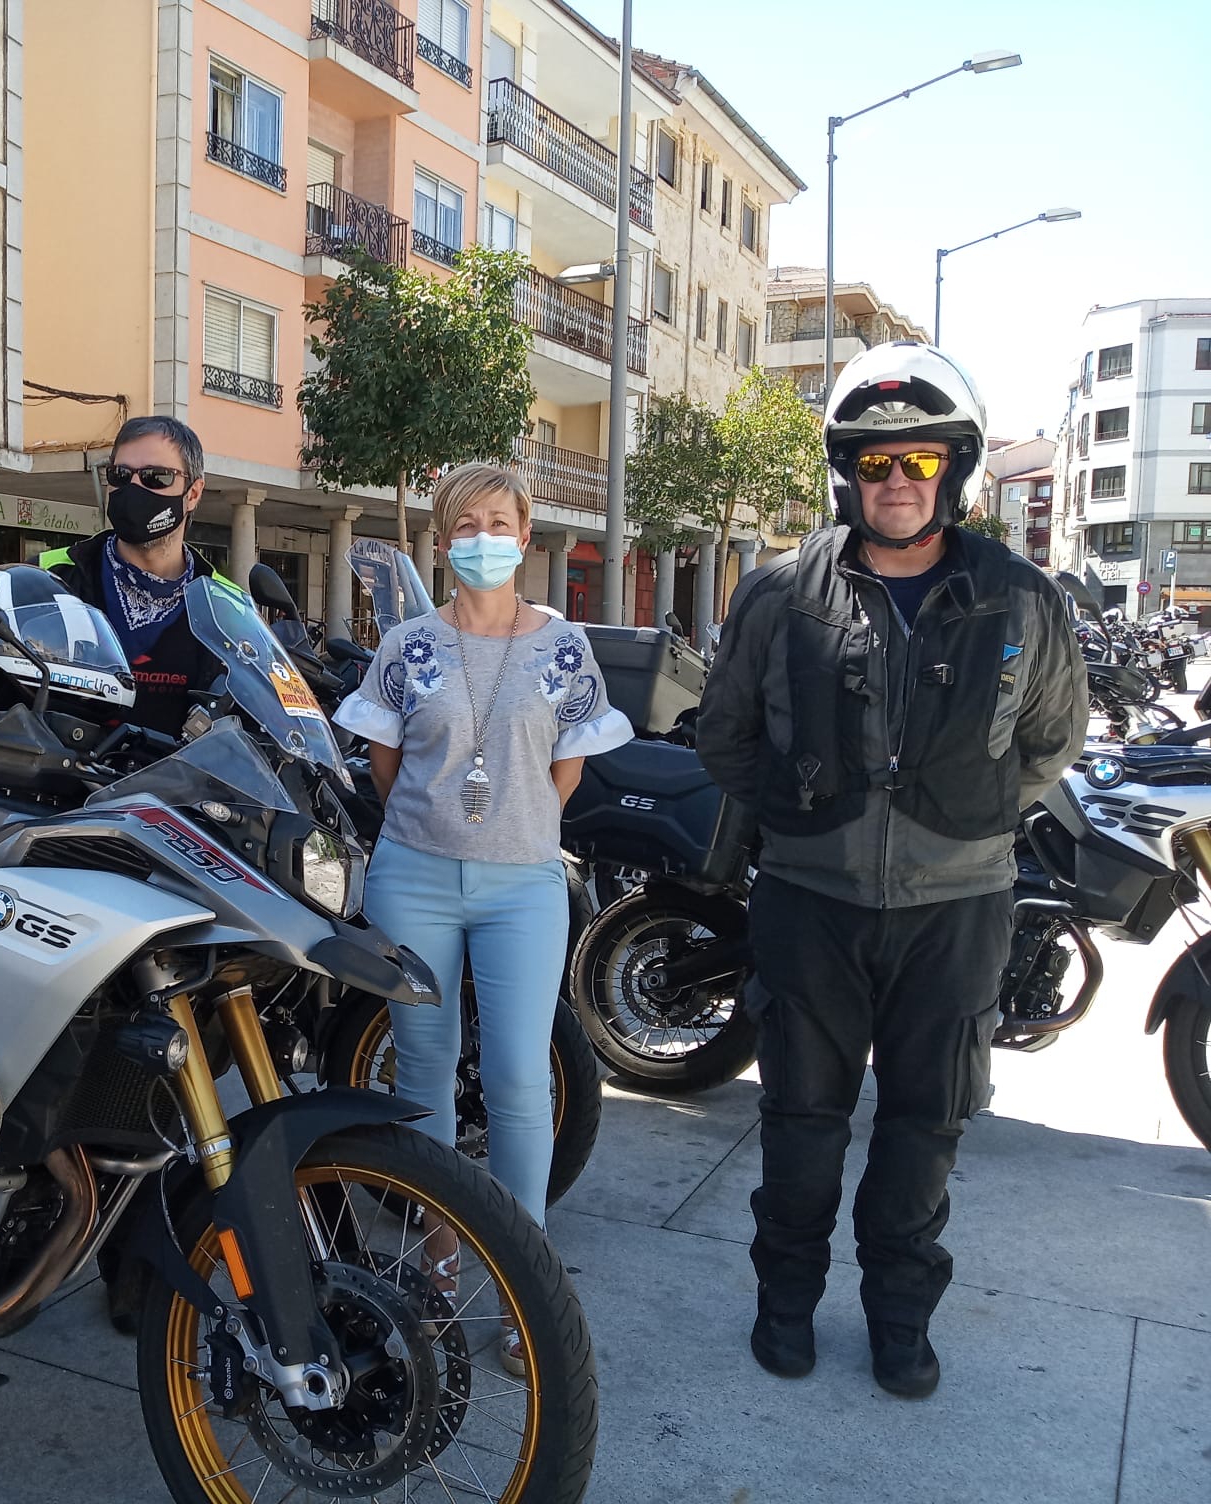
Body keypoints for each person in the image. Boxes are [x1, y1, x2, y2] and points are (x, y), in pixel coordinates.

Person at [695, 342, 1085, 1399]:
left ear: (952, 469)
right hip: (810, 904)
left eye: (917, 461)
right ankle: (784, 1305)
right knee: (798, 1123)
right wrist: (803, 821)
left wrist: (957, 817)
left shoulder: (1019, 596)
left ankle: (899, 1318)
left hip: (955, 910)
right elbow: (726, 736)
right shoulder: (778, 591)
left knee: (927, 1127)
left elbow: (1050, 739)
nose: (896, 482)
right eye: (875, 463)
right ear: (845, 471)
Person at [332, 461, 633, 1377]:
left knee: (514, 1075)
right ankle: (435, 1264)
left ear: (525, 529)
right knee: (422, 1069)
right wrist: (439, 827)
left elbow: (569, 764)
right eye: (464, 526)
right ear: (442, 537)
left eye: (496, 522)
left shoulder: (563, 646)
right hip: (414, 878)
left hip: (521, 885)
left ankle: (522, 1288)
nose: (481, 539)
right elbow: (386, 766)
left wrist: (512, 825)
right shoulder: (408, 644)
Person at [41, 415, 234, 739]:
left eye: (155, 477)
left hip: (174, 786)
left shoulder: (225, 607)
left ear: (193, 493)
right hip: (63, 783)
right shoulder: (51, 578)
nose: (133, 489)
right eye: (120, 475)